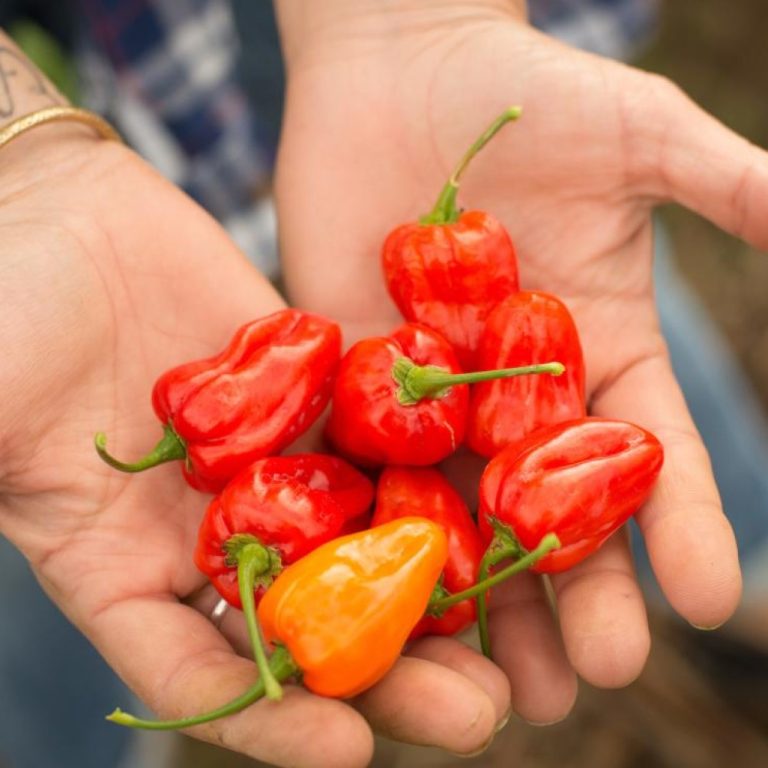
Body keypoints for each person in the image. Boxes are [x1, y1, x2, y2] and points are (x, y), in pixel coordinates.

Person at [0, 1, 766, 767]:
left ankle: (754, 556)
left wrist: (405, 21)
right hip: (156, 151)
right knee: (78, 601)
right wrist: (23, 179)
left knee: (640, 368)